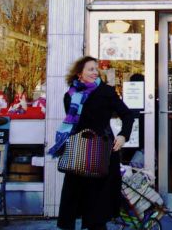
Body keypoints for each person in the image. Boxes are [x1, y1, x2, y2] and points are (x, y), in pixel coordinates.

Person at [50, 56, 134, 230]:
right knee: (74, 199)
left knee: (98, 206)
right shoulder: (71, 95)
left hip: (102, 151)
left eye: (96, 69)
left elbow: (128, 114)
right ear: (79, 73)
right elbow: (74, 124)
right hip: (79, 152)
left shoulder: (106, 92)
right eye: (90, 69)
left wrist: (123, 136)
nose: (95, 72)